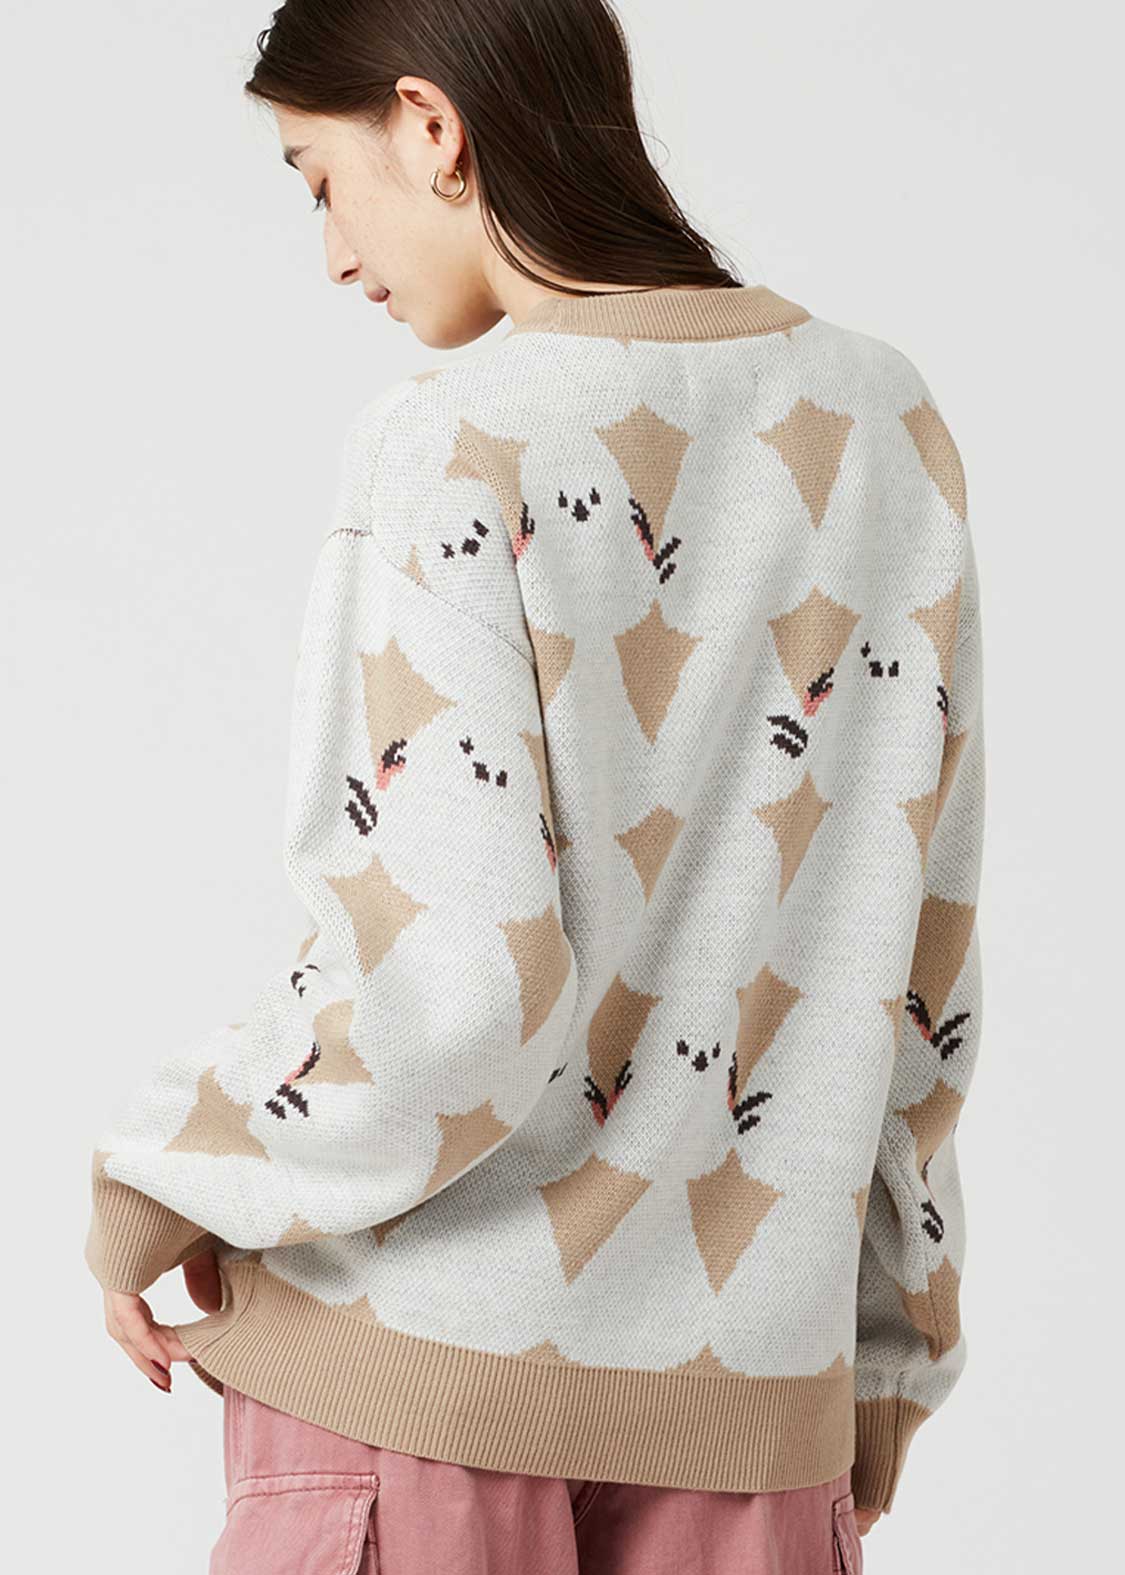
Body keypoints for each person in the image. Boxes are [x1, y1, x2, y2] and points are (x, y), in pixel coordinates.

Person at [84, 2, 986, 1571]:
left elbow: (453, 992)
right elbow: (918, 965)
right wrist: (884, 1361)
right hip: (750, 1407)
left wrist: (157, 1184)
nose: (334, 257)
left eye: (318, 180)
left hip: (418, 1386)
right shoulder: (884, 424)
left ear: (430, 126)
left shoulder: (451, 440)